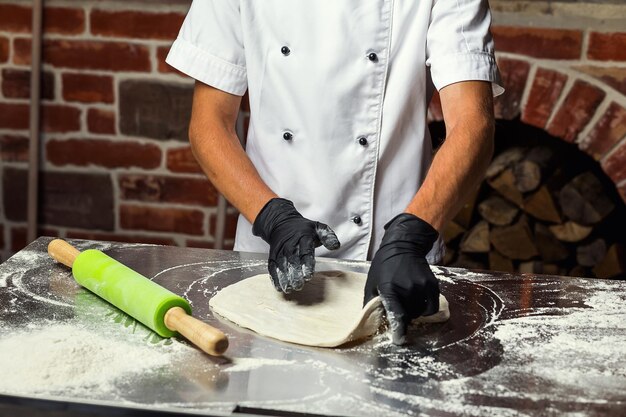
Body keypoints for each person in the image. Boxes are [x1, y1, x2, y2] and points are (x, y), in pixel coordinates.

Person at [167, 0, 504, 344]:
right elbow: (209, 126)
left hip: (392, 257)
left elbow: (472, 125)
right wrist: (272, 216)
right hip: (269, 252)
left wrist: (411, 236)